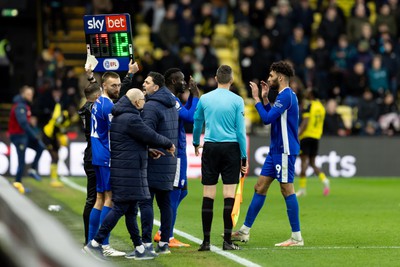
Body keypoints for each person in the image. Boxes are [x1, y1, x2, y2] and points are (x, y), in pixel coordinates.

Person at [84, 89, 176, 261]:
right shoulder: (131, 118)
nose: (144, 101)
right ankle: (95, 243)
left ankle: (139, 247)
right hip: (129, 171)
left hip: (127, 170)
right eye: (143, 99)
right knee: (120, 208)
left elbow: (132, 142)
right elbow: (149, 134)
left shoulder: (122, 115)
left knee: (131, 210)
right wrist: (167, 143)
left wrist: (149, 151)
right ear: (136, 102)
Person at [232, 61, 304, 247]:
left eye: (271, 76)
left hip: (284, 151)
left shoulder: (286, 95)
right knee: (259, 187)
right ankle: (244, 231)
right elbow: (272, 115)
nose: (269, 79)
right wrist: (264, 99)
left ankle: (296, 237)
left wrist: (256, 98)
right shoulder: (282, 96)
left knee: (287, 189)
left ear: (280, 77)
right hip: (275, 151)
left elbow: (266, 119)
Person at [86, 61, 139, 256]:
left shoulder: (98, 101)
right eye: (113, 86)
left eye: (118, 85)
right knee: (109, 198)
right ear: (104, 86)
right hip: (107, 156)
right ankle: (103, 245)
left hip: (98, 155)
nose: (117, 88)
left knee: (99, 199)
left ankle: (91, 243)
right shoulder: (108, 106)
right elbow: (116, 132)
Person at [193, 65, 248, 251]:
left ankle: (206, 242)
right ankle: (227, 241)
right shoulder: (238, 100)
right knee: (228, 195)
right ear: (231, 80)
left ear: (216, 78)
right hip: (231, 148)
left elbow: (197, 121)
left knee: (208, 194)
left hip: (210, 147)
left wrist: (194, 142)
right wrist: (244, 156)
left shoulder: (205, 98)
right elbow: (241, 131)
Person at [153, 68, 200, 248]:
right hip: (176, 151)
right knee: (174, 192)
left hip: (180, 148)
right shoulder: (171, 99)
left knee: (183, 191)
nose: (184, 83)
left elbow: (184, 113)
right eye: (181, 80)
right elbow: (190, 117)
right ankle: (167, 235)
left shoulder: (174, 100)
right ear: (173, 81)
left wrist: (193, 98)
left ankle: (163, 231)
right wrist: (195, 96)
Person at [139, 71, 179, 254]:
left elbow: (146, 133)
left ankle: (146, 243)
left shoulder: (151, 106)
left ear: (156, 87)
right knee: (165, 203)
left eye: (147, 83)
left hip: (154, 159)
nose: (144, 85)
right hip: (169, 160)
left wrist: (147, 150)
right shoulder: (172, 104)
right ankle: (164, 243)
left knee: (146, 202)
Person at [8, 86, 45, 194]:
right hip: (18, 136)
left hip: (23, 135)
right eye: (28, 94)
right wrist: (33, 135)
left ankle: (32, 170)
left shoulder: (24, 105)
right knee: (21, 161)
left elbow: (25, 122)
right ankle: (17, 184)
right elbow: (23, 123)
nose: (30, 96)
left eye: (31, 94)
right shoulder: (20, 106)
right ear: (23, 94)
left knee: (40, 147)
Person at [78, 82, 101, 245]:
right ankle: (91, 240)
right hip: (95, 156)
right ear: (97, 96)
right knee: (96, 199)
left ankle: (92, 240)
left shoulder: (86, 107)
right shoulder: (92, 109)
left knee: (96, 198)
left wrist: (92, 77)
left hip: (91, 154)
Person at [296, 88, 330, 197]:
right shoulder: (321, 107)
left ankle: (302, 189)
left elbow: (306, 122)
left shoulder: (309, 106)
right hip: (316, 136)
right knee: (312, 162)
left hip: (306, 136)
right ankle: (324, 180)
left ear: (311, 95)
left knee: (303, 162)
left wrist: (299, 134)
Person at [41, 87, 72, 188]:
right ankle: (53, 179)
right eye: (73, 111)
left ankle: (54, 178)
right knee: (54, 156)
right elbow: (54, 127)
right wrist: (56, 140)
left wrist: (62, 137)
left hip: (54, 137)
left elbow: (63, 130)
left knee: (56, 157)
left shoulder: (69, 119)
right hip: (48, 135)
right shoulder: (63, 117)